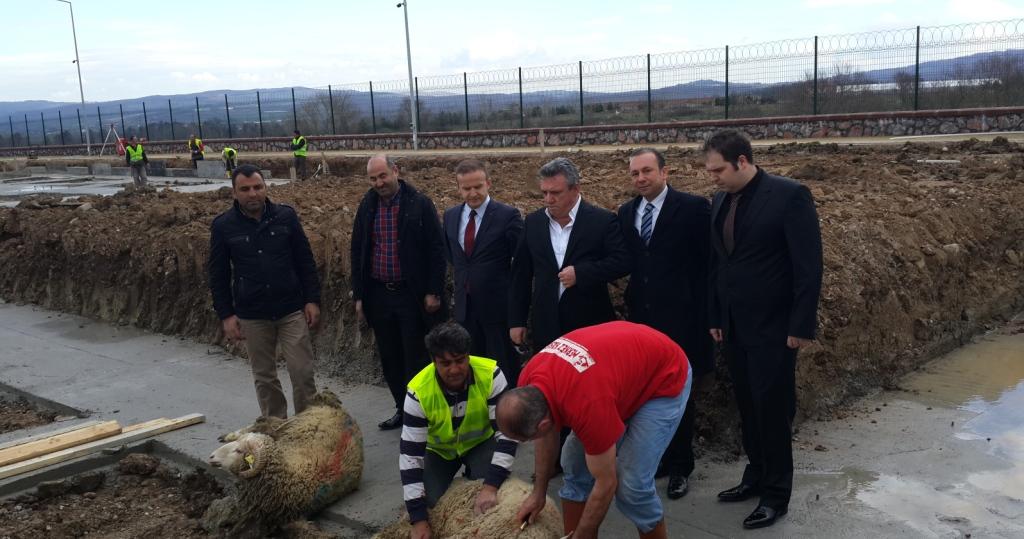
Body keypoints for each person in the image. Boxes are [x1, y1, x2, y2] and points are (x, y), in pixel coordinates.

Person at [705, 130, 823, 529]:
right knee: (748, 407)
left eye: (718, 169)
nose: (713, 178)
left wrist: (801, 325)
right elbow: (721, 265)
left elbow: (808, 267)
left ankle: (776, 495)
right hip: (735, 326)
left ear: (742, 161)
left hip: (776, 328)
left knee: (772, 411)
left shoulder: (789, 196)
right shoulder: (721, 200)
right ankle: (754, 476)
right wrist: (717, 317)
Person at [496, 321, 692, 539]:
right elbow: (546, 435)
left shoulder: (586, 404)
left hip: (664, 376)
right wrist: (538, 493)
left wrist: (583, 533)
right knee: (574, 463)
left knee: (632, 485)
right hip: (620, 373)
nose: (526, 444)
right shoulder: (529, 383)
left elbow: (607, 483)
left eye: (525, 440)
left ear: (541, 424)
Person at [616, 148, 711, 500]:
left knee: (679, 394)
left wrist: (709, 315)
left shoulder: (693, 208)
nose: (640, 179)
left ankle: (681, 467)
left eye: (647, 171)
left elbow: (708, 265)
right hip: (643, 322)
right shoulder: (627, 212)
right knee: (649, 395)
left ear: (664, 172)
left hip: (683, 320)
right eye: (635, 174)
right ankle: (660, 459)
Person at [207, 164, 321, 419]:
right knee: (265, 378)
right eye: (245, 189)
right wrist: (226, 315)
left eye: (257, 187)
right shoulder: (224, 226)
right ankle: (276, 430)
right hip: (253, 314)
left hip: (290, 309)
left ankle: (308, 429)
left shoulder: (285, 217)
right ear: (234, 193)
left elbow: (305, 260)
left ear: (265, 187)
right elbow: (218, 274)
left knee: (302, 373)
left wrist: (312, 299)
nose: (252, 194)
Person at [350, 154, 446, 430]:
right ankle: (402, 410)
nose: (379, 183)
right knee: (389, 356)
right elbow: (357, 249)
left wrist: (433, 290)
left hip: (410, 295)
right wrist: (359, 295)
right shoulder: (368, 205)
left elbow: (436, 249)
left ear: (395, 171)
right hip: (379, 295)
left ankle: (422, 413)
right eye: (373, 178)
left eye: (382, 176)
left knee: (414, 357)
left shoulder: (419, 204)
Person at [400, 322, 519, 539]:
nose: (454, 369)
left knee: (496, 497)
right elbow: (410, 457)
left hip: (480, 443)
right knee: (430, 506)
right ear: (433, 361)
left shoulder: (491, 375)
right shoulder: (418, 392)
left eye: (460, 360)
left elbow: (507, 436)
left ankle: (477, 475)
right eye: (445, 363)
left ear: (468, 355)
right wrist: (418, 519)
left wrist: (490, 487)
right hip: (439, 451)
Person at [508, 157, 630, 352]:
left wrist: (581, 273)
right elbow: (521, 274)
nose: (548, 199)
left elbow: (622, 261)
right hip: (546, 325)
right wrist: (516, 320)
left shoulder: (602, 221)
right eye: (545, 193)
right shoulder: (533, 222)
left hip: (590, 324)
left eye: (555, 193)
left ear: (575, 189)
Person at [442, 159, 524, 385]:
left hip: (497, 309)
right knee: (472, 368)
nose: (473, 193)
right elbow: (454, 257)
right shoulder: (450, 216)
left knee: (502, 367)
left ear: (488, 183)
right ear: (458, 188)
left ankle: (507, 416)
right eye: (466, 188)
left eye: (478, 186)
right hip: (465, 310)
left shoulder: (507, 216)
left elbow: (521, 260)